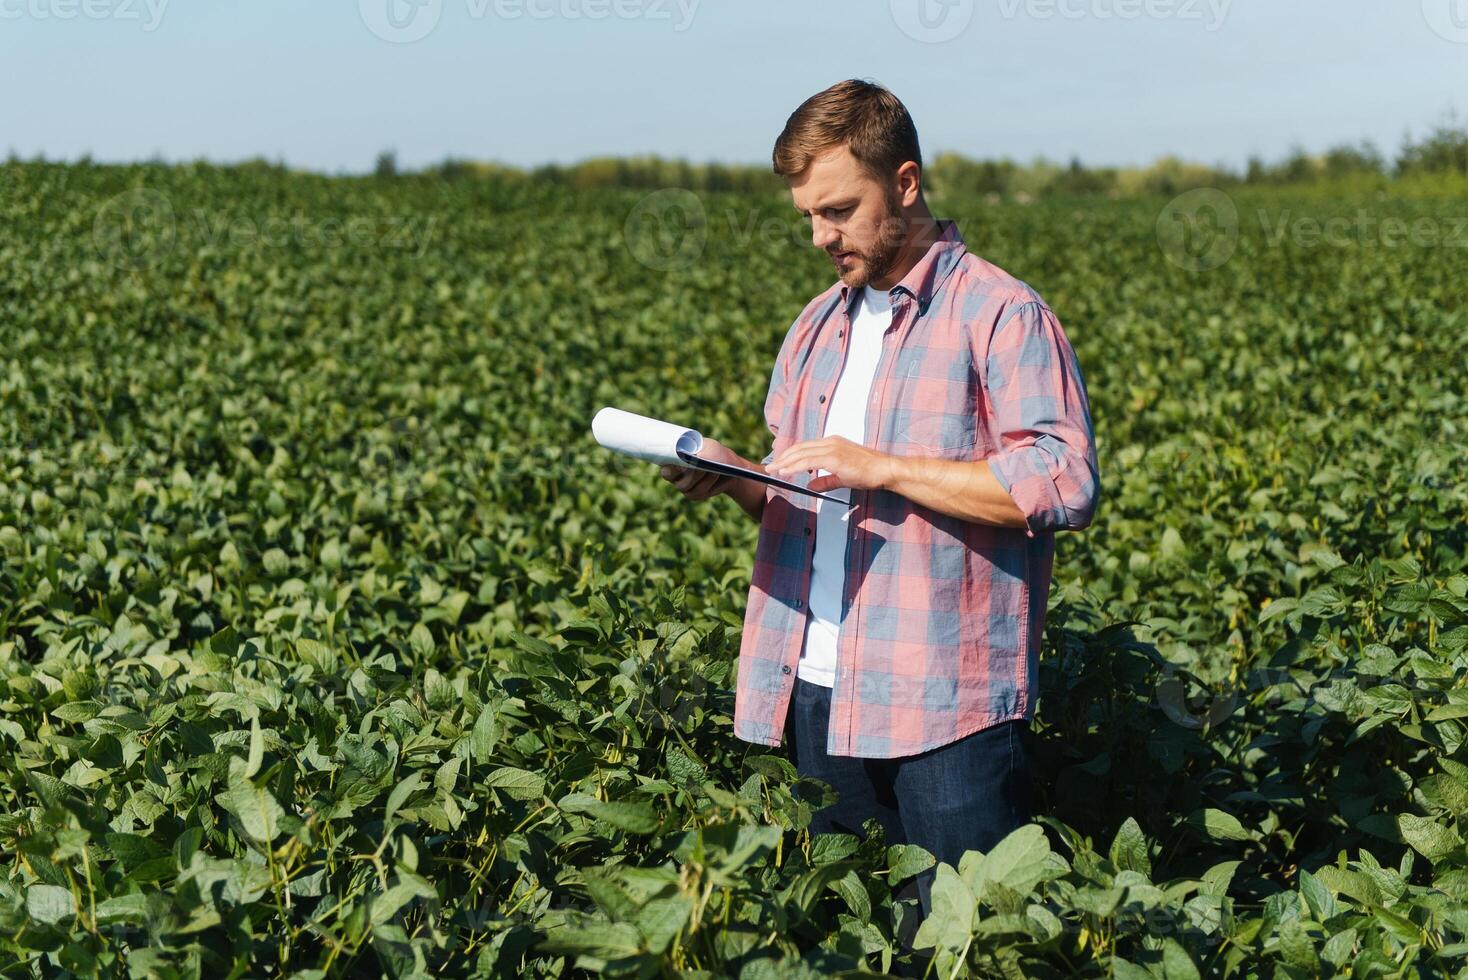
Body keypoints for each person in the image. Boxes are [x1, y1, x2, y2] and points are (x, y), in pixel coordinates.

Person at [658, 78, 1100, 923]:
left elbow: (1063, 481)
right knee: (857, 942)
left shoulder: (1000, 314)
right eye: (809, 218)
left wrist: (885, 468)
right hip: (817, 693)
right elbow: (800, 509)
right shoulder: (816, 328)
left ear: (905, 183)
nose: (822, 237)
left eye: (839, 210)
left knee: (963, 943)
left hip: (946, 706)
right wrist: (736, 477)